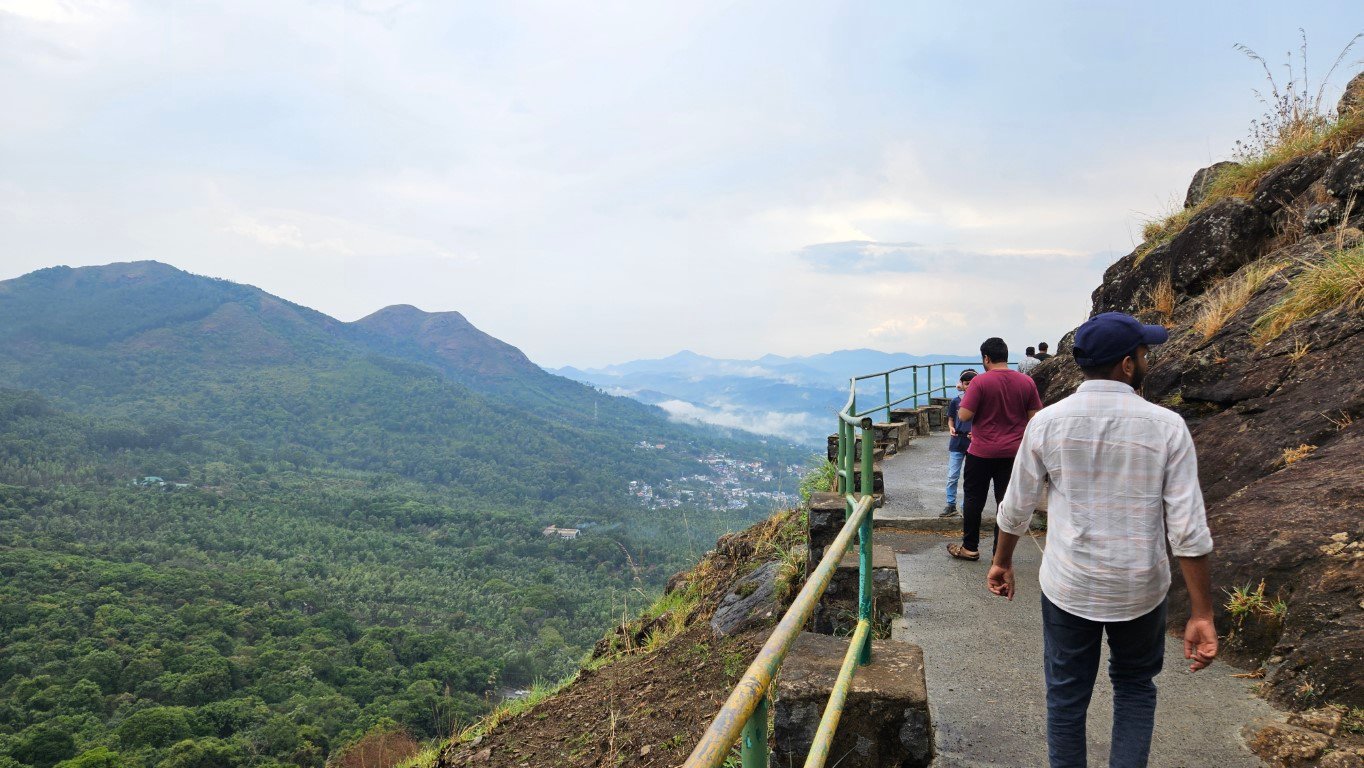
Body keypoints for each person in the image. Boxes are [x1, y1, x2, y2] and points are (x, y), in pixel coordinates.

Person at [988, 312, 1218, 768]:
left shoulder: (1048, 423)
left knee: (1066, 695)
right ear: (1127, 364)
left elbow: (1016, 506)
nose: (1146, 359)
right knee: (1134, 687)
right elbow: (1188, 530)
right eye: (1144, 352)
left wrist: (1002, 561)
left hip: (1069, 583)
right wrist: (1202, 613)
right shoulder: (1167, 426)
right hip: (1140, 587)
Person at [945, 337, 1041, 561]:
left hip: (981, 452)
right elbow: (1035, 418)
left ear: (986, 358)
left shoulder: (980, 382)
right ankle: (999, 552)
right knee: (1005, 502)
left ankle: (970, 547)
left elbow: (964, 415)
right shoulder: (1026, 382)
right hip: (1013, 453)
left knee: (974, 499)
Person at [940, 369, 977, 517]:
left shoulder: (980, 401)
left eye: (972, 383)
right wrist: (951, 427)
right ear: (961, 384)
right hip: (957, 440)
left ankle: (965, 506)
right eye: (966, 383)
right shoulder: (956, 401)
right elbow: (951, 418)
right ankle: (951, 505)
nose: (969, 386)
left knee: (970, 477)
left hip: (973, 442)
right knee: (952, 475)